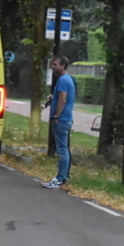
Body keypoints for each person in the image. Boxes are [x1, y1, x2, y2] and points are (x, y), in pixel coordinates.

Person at [43, 55, 75, 189]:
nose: (53, 67)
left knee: (62, 150)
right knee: (65, 149)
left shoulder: (62, 80)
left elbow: (63, 100)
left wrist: (56, 116)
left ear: (63, 66)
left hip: (61, 120)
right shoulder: (68, 79)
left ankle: (60, 178)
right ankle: (64, 176)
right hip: (66, 118)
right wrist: (53, 96)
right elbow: (61, 97)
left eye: (55, 64)